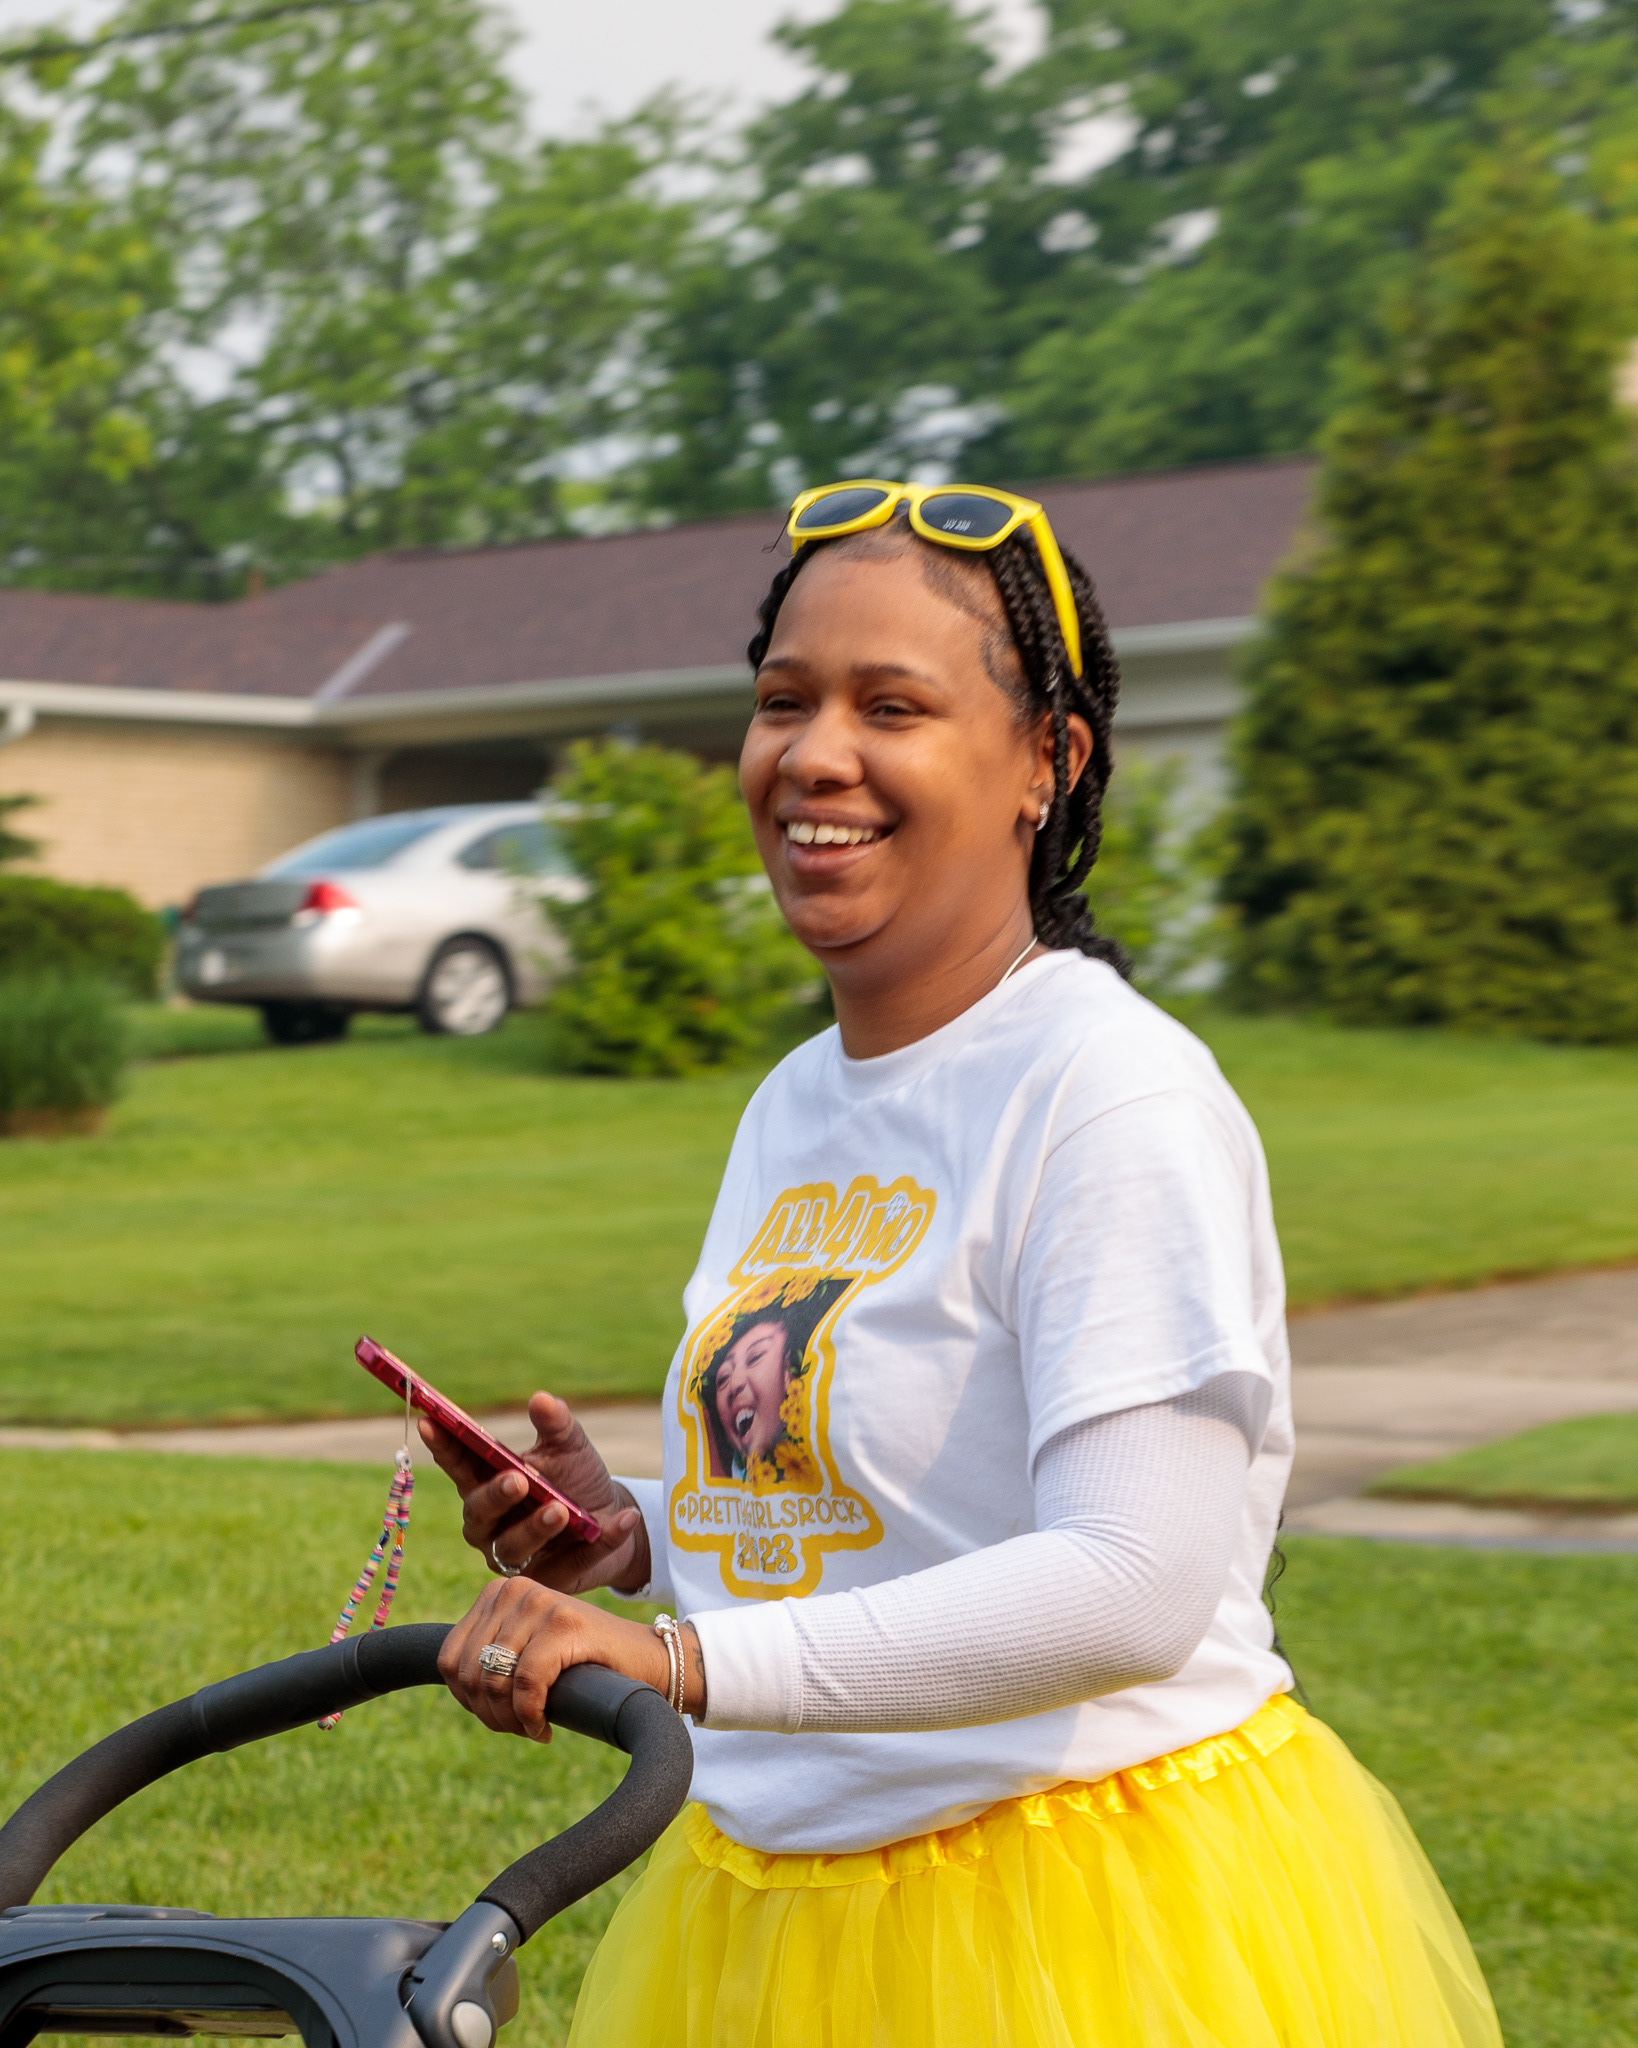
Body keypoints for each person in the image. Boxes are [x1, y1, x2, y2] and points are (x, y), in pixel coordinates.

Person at [427, 481, 1503, 2047]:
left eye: (891, 707)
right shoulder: (797, 1100)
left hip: (1075, 1919)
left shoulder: (1105, 1090)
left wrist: (677, 1659)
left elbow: (1131, 1579)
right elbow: (884, 1495)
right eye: (783, 701)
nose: (814, 755)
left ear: (1045, 763)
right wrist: (640, 1535)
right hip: (776, 1899)